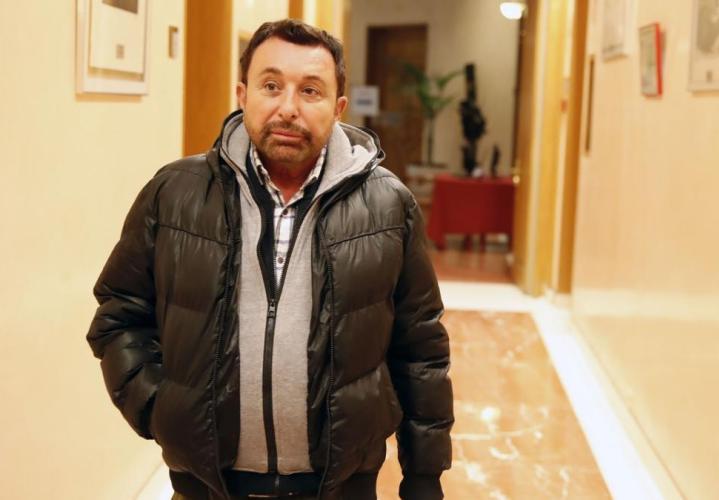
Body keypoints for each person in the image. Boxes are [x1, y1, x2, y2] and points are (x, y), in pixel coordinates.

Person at [86, 19, 453, 500]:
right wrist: (161, 409)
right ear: (243, 94)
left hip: (342, 487)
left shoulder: (388, 206)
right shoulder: (174, 194)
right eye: (271, 85)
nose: (288, 108)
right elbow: (119, 314)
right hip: (206, 488)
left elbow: (420, 348)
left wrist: (424, 478)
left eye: (311, 90)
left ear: (338, 107)